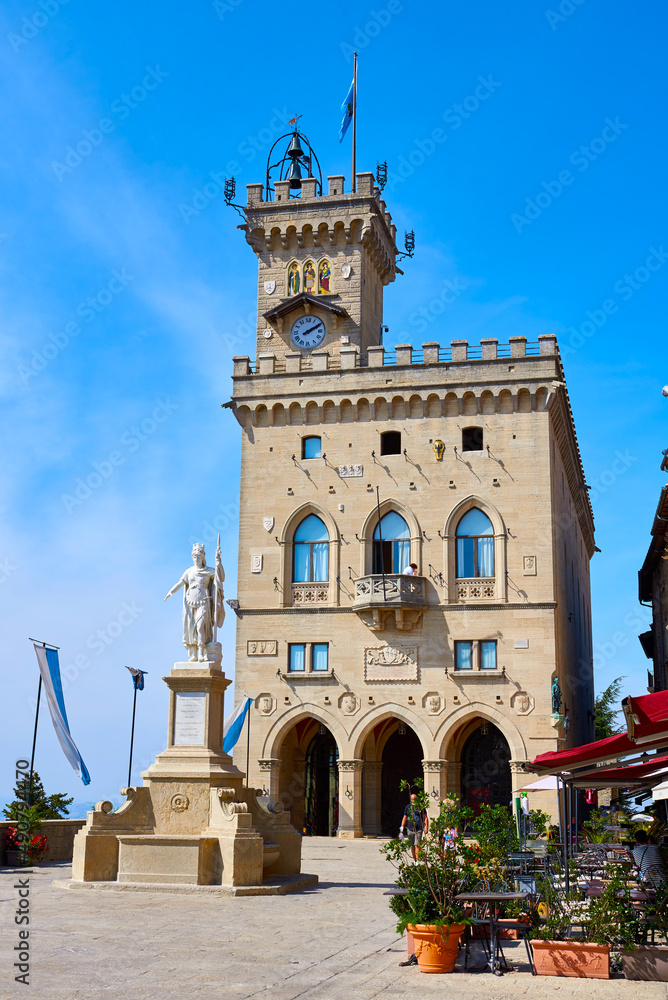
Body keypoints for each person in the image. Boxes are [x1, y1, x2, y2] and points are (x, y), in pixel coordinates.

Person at [164, 542, 224, 661]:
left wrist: (218, 561)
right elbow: (181, 583)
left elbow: (220, 577)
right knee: (192, 628)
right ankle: (195, 654)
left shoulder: (208, 571)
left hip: (203, 602)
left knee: (201, 626)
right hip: (190, 602)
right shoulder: (189, 571)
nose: (196, 559)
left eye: (198, 556)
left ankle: (202, 652)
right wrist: (171, 591)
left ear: (202, 557)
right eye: (194, 557)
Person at [401, 791, 428, 863]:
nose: (413, 801)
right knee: (412, 845)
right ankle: (414, 859)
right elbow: (405, 817)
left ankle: (417, 861)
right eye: (412, 799)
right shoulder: (408, 807)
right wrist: (402, 828)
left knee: (417, 845)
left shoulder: (420, 807)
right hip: (410, 829)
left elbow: (425, 817)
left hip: (418, 829)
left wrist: (426, 827)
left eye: (415, 799)